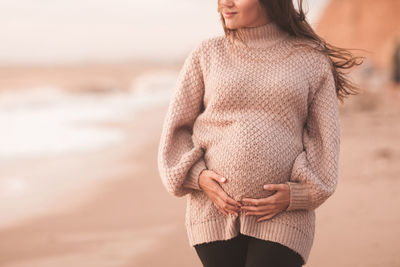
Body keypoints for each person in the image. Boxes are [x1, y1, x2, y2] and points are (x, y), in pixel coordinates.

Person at [157, 0, 364, 266]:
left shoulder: (310, 58)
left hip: (285, 217)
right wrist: (199, 177)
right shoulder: (207, 53)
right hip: (214, 212)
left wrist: (297, 194)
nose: (225, 3)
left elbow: (324, 142)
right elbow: (175, 130)